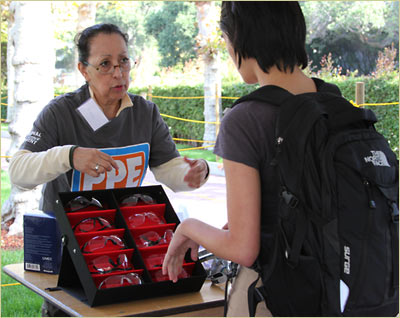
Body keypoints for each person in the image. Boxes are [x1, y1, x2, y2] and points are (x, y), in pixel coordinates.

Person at [9, 23, 209, 316]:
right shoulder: (60, 113)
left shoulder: (145, 112)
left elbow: (169, 170)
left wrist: (192, 174)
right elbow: (18, 172)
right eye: (105, 64)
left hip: (129, 247)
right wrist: (69, 156)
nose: (118, 72)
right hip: (70, 256)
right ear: (83, 70)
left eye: (124, 61)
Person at [162, 2, 342, 316]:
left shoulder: (245, 119)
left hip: (281, 292)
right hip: (342, 285)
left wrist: (187, 227)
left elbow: (243, 249)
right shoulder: (332, 100)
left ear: (241, 39)